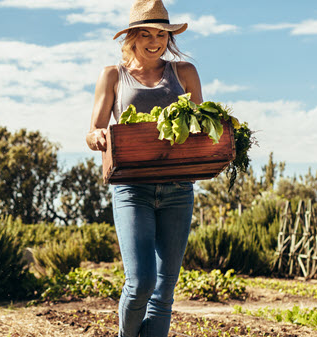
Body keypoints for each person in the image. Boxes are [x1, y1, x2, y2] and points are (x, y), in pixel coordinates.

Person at [86, 0, 203, 336]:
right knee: (141, 282)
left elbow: (194, 126)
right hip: (132, 188)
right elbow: (94, 128)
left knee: (164, 292)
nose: (155, 41)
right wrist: (96, 137)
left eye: (162, 34)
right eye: (147, 34)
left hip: (178, 189)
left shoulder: (185, 73)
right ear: (132, 38)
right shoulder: (113, 75)